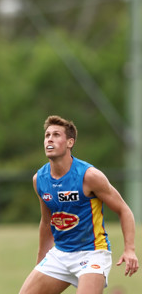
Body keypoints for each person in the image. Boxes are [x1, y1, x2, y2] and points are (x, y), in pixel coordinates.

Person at [19, 115, 138, 294]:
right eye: (47, 135)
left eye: (56, 135)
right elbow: (46, 223)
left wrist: (129, 249)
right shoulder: (40, 180)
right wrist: (41, 262)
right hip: (60, 254)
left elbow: (123, 209)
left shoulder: (89, 176)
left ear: (70, 142)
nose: (49, 139)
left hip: (92, 253)